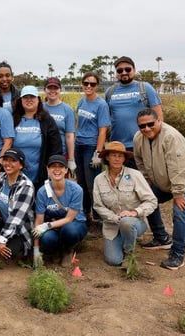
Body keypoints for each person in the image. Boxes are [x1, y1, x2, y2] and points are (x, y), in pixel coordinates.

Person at [133, 108, 185, 270]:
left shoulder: (171, 137)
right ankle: (161, 238)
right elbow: (138, 159)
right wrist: (147, 180)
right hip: (163, 181)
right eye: (142, 126)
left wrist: (178, 193)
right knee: (148, 201)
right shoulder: (139, 138)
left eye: (150, 124)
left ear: (158, 120)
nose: (146, 129)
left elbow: (178, 167)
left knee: (180, 212)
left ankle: (178, 254)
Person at [92, 141, 157, 266]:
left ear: (124, 158)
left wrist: (134, 212)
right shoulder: (98, 179)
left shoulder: (135, 175)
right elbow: (98, 206)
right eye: (113, 155)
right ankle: (124, 240)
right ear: (107, 157)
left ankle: (129, 253)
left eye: (120, 156)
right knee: (113, 260)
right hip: (112, 225)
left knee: (126, 222)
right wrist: (114, 217)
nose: (117, 159)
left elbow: (151, 201)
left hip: (135, 222)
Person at [106, 56, 163, 167]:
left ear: (134, 70)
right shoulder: (110, 92)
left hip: (142, 145)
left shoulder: (145, 88)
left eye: (127, 69)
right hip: (118, 147)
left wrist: (156, 142)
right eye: (119, 70)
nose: (124, 72)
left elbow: (159, 117)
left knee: (142, 180)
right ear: (116, 73)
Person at [34, 155, 88, 264]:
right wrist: (36, 250)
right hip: (53, 227)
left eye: (61, 166)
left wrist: (47, 225)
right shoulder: (42, 192)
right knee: (46, 239)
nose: (57, 169)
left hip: (74, 223)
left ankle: (68, 250)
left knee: (70, 231)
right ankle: (54, 251)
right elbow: (39, 221)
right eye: (53, 166)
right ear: (48, 169)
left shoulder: (76, 190)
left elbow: (69, 219)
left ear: (66, 170)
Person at [75, 72, 111, 225]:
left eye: (92, 84)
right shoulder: (81, 102)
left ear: (97, 86)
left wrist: (98, 153)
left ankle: (98, 217)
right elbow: (79, 124)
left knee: (93, 184)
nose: (88, 86)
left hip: (92, 147)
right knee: (81, 183)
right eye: (86, 83)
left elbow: (103, 130)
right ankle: (85, 213)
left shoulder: (101, 104)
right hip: (79, 145)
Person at [11, 85, 62, 189]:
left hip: (39, 175)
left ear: (38, 100)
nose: (29, 100)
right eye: (25, 97)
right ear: (21, 100)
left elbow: (56, 147)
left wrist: (51, 168)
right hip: (15, 173)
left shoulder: (47, 120)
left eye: (32, 97)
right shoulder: (13, 119)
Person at [42, 77, 75, 169]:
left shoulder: (67, 109)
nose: (52, 91)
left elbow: (69, 135)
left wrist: (71, 159)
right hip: (42, 153)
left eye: (55, 88)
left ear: (60, 90)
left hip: (60, 153)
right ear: (45, 90)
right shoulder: (40, 108)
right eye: (49, 88)